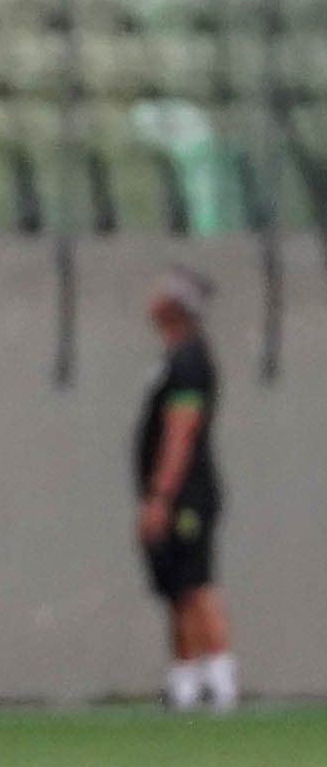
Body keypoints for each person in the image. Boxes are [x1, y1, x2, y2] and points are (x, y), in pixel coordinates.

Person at [136, 266, 236, 712]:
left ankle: (220, 676)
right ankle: (185, 678)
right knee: (175, 583)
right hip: (173, 493)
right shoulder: (175, 358)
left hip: (188, 493)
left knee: (196, 581)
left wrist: (162, 494)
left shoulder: (190, 361)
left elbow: (181, 431)